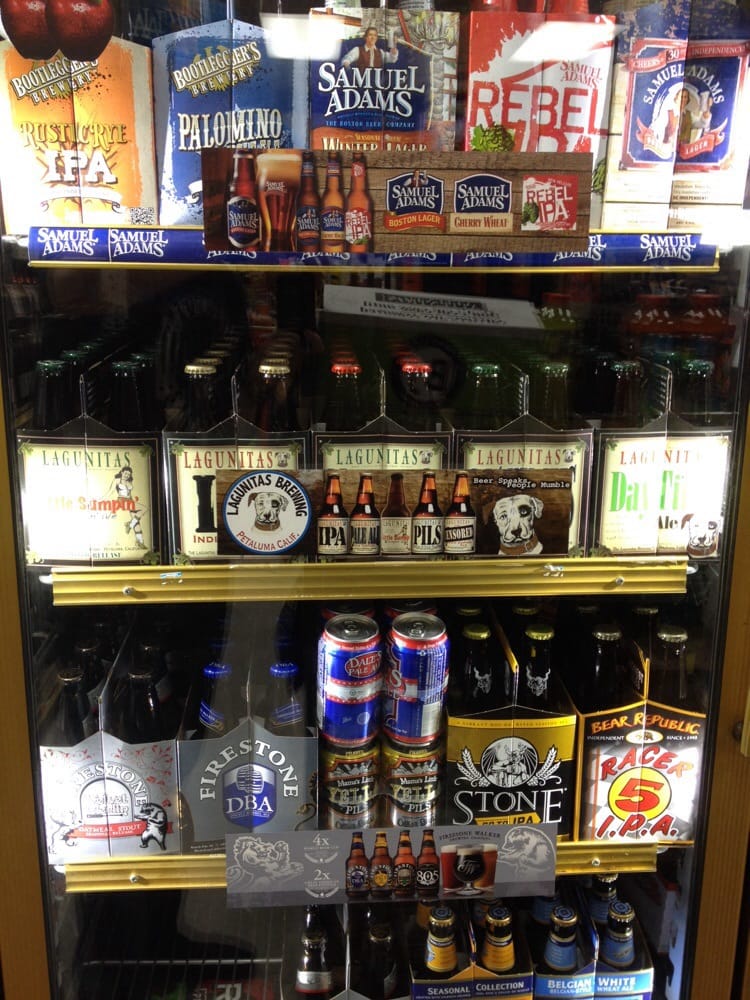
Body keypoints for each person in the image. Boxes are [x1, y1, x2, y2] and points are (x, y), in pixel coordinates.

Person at [113, 466, 148, 549]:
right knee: (144, 509)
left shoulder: (129, 481)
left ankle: (140, 543)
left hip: (130, 501)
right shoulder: (117, 480)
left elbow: (129, 494)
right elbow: (110, 491)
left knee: (137, 523)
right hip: (122, 500)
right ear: (121, 472)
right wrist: (101, 499)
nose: (127, 475)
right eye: (125, 473)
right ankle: (130, 524)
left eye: (129, 474)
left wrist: (133, 501)